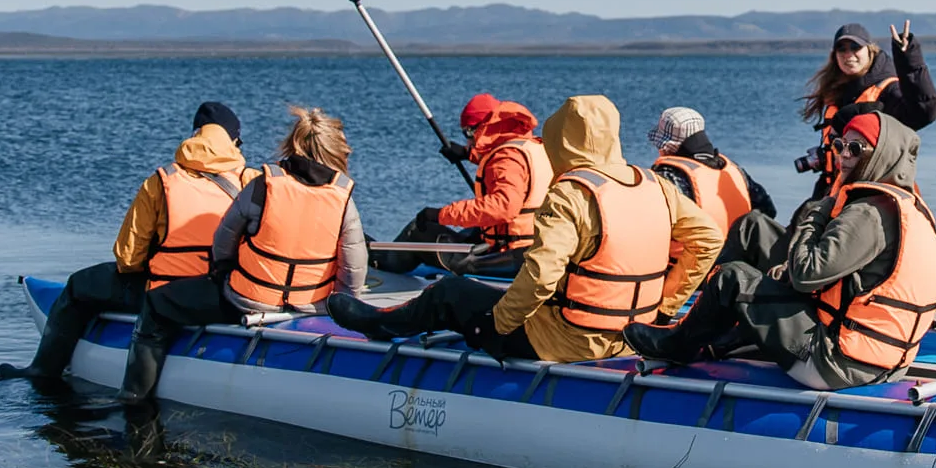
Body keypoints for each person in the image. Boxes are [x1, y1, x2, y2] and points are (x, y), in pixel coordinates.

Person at [326, 95, 722, 365]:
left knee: (449, 292)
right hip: (631, 335)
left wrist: (499, 323)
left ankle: (377, 324)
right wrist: (667, 305)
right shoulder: (654, 185)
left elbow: (541, 275)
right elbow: (708, 239)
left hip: (565, 342)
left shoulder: (572, 194)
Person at [626, 112, 936, 390]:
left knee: (732, 278)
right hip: (880, 360)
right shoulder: (905, 205)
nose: (843, 155)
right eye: (839, 146)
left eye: (855, 148)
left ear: (881, 155)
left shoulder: (867, 213)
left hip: (835, 363)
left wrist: (820, 211)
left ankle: (678, 347)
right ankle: (716, 330)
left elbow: (807, 274)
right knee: (754, 228)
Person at [116, 108, 369, 405]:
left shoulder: (263, 185)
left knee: (157, 304)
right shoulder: (343, 199)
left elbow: (223, 242)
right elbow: (353, 272)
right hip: (312, 306)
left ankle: (134, 398)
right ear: (338, 152)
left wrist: (223, 273)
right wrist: (336, 307)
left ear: (292, 143)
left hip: (248, 301)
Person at [0, 101, 248, 388]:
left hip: (164, 291)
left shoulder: (162, 181)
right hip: (223, 293)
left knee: (78, 284)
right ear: (234, 141)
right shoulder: (250, 182)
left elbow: (128, 259)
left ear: (194, 136)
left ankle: (42, 370)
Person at [375, 92, 552, 270]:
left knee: (419, 229)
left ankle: (379, 263)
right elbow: (513, 170)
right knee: (471, 231)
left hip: (510, 255)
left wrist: (440, 215)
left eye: (467, 132)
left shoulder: (506, 159)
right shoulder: (533, 147)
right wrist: (468, 155)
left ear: (480, 128)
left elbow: (503, 206)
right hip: (536, 246)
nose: (468, 139)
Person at [798, 21, 936, 187]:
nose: (848, 54)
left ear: (870, 51)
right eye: (842, 49)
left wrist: (908, 58)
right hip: (836, 188)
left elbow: (923, 112)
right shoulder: (838, 91)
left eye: (855, 47)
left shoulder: (888, 90)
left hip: (873, 191)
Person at [649, 106, 774, 240]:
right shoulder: (734, 171)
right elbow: (769, 210)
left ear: (668, 146)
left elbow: (650, 224)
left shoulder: (669, 177)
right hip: (737, 255)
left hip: (696, 258)